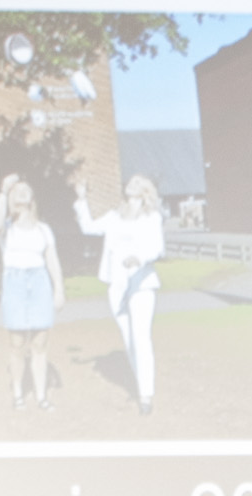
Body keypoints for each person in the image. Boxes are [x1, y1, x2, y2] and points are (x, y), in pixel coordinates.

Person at [96, 169, 170, 411]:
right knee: (128, 338)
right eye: (131, 181)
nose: (133, 183)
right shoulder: (114, 216)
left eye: (139, 181)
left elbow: (157, 248)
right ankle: (141, 384)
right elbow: (89, 227)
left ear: (145, 191)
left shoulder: (151, 217)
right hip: (116, 283)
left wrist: (138, 257)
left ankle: (145, 395)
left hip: (141, 281)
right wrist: (79, 200)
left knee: (141, 336)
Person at [0, 172, 61, 408]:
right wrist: (3, 191)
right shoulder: (6, 228)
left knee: (40, 343)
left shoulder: (44, 229)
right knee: (17, 343)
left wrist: (58, 290)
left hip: (40, 282)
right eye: (16, 189)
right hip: (15, 283)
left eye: (26, 188)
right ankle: (18, 393)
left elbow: (52, 261)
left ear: (32, 197)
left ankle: (42, 396)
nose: (21, 191)